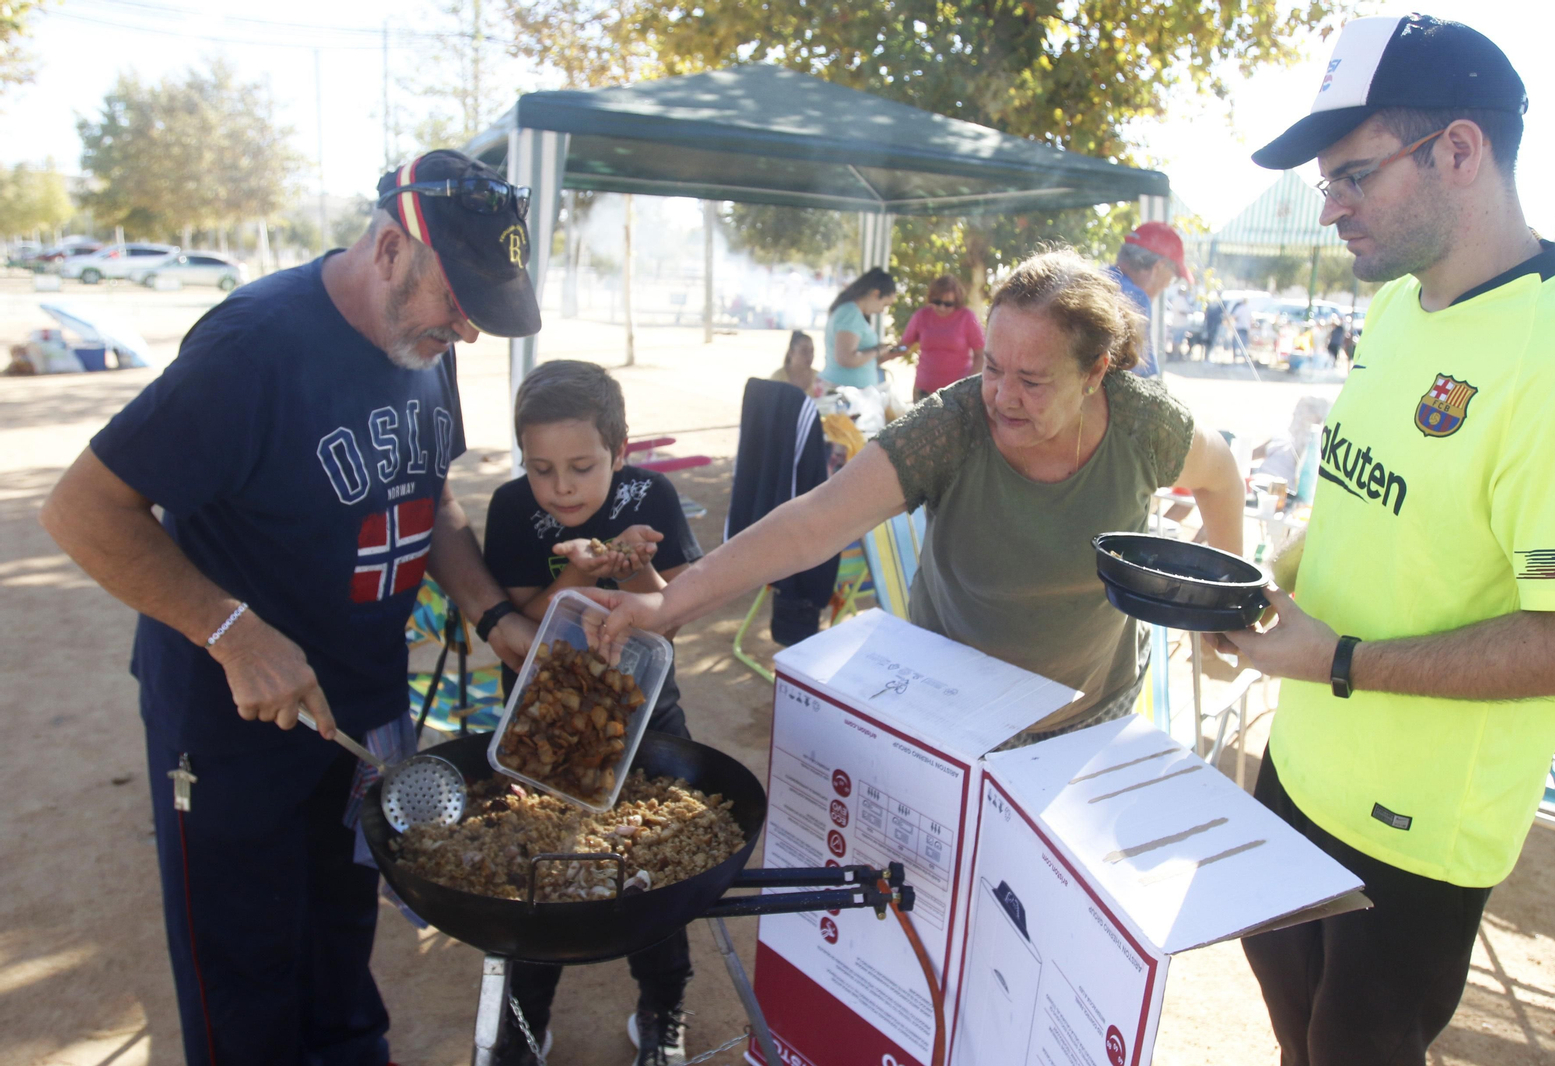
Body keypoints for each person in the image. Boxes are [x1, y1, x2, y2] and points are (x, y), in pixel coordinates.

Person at [37, 149, 543, 1065]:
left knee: (339, 934)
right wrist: (232, 632)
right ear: (392, 248)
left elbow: (426, 496)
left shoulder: (423, 346)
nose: (464, 333)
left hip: (361, 716)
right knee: (245, 965)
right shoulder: (252, 348)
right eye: (455, 304)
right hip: (232, 719)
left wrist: (493, 616)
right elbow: (81, 510)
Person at [1225, 16, 1555, 1066]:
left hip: (1415, 833)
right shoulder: (1396, 306)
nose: (1329, 206)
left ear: (1460, 150)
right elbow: (1370, 504)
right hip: (1299, 764)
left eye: (1352, 175)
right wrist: (1268, 580)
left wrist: (1339, 659)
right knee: (1289, 1030)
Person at [589, 248, 1244, 742]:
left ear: (1096, 371)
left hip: (1090, 715)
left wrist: (1227, 610)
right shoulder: (951, 426)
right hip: (954, 714)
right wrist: (669, 600)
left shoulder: (1143, 425)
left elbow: (1223, 479)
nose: (1002, 397)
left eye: (1033, 381)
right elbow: (812, 522)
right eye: (991, 367)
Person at [482, 359, 704, 1066]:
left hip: (645, 714)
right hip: (546, 720)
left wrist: (632, 559)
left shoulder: (653, 495)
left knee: (654, 870)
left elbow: (664, 622)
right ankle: (525, 1022)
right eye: (541, 468)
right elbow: (524, 629)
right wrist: (582, 569)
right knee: (540, 874)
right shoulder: (513, 508)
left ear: (621, 451)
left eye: (581, 465)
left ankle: (663, 1005)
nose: (561, 486)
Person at [1105, 221, 1193, 377]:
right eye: (1173, 278)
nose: (1167, 286)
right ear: (1159, 267)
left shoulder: (1097, 281)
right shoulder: (1134, 299)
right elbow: (1137, 384)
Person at [897, 274, 986, 400]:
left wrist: (967, 384)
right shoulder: (922, 316)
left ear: (957, 301)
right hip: (924, 390)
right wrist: (880, 355)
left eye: (948, 304)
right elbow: (904, 346)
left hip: (957, 393)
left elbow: (980, 354)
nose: (942, 307)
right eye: (937, 302)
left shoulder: (967, 317)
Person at [820, 266, 897, 389]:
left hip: (850, 390)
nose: (882, 310)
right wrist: (877, 351)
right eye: (884, 304)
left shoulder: (849, 311)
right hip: (846, 392)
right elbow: (846, 359)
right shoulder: (851, 314)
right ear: (875, 294)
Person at [770, 330, 822, 397]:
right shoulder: (777, 377)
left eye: (812, 351)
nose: (809, 356)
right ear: (791, 352)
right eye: (804, 351)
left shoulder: (818, 378)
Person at [1200, 296, 1225, 361]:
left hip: (1213, 326)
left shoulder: (1218, 307)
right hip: (1210, 326)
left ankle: (1207, 356)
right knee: (1208, 341)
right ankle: (1206, 356)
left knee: (1211, 341)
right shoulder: (1213, 307)